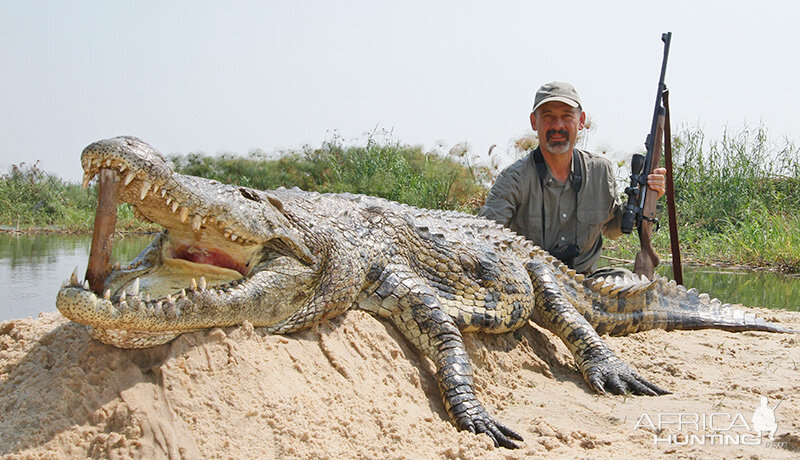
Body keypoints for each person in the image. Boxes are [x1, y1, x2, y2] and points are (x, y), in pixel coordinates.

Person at [479, 81, 666, 275]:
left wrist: (645, 200)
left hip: (585, 283)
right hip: (532, 282)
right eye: (548, 117)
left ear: (581, 120)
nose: (557, 126)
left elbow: (612, 229)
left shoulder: (600, 170)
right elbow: (483, 241)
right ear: (534, 122)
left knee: (626, 278)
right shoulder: (513, 179)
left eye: (567, 116)